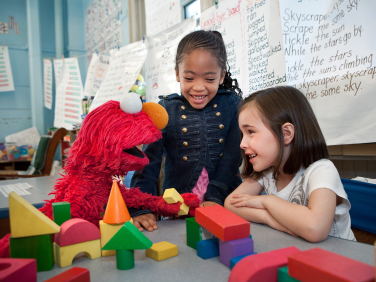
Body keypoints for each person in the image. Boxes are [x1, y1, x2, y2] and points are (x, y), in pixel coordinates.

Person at [129, 30, 243, 232]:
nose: (198, 88)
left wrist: (215, 198)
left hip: (223, 204)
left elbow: (231, 159)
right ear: (177, 73)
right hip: (177, 211)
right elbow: (148, 163)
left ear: (221, 75)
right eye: (189, 78)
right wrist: (140, 208)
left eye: (209, 79)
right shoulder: (166, 108)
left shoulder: (233, 105)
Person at [224, 86, 356, 242]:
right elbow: (230, 203)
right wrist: (268, 218)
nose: (242, 143)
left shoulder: (322, 171)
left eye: (251, 132)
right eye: (242, 134)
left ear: (286, 134)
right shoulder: (268, 171)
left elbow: (316, 229)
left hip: (337, 261)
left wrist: (267, 201)